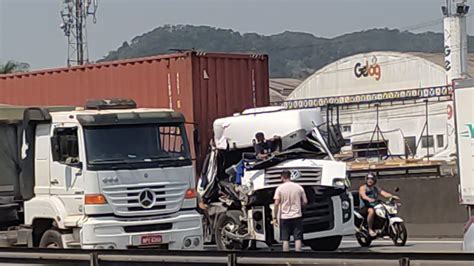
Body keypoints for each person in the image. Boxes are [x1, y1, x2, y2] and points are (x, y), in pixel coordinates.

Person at [273, 170, 307, 252]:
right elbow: (305, 201)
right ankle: (298, 254)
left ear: (282, 178)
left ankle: (286, 256)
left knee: (285, 239)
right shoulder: (299, 187)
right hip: (297, 215)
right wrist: (301, 207)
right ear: (290, 176)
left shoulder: (279, 189)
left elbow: (276, 203)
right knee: (297, 238)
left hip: (284, 217)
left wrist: (275, 216)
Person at [358, 173, 397, 237]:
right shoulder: (363, 187)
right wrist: (369, 199)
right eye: (368, 179)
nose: (370, 180)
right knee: (371, 211)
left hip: (374, 205)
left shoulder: (375, 188)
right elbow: (363, 195)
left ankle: (384, 229)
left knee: (384, 209)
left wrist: (392, 196)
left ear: (374, 180)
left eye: (371, 179)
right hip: (365, 206)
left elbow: (383, 193)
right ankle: (370, 229)